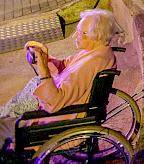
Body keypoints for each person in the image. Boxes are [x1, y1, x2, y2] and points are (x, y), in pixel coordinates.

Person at [0, 10, 117, 143]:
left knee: (2, 125)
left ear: (97, 35)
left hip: (53, 120)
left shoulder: (90, 64)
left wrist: (44, 71)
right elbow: (65, 65)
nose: (74, 35)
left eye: (80, 32)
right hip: (56, 107)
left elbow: (54, 102)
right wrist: (44, 58)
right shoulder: (97, 52)